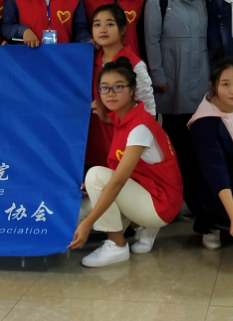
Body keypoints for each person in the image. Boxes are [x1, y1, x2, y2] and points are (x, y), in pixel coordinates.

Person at [69, 59, 183, 267]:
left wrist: (87, 224)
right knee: (76, 214)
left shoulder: (140, 127)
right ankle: (140, 225)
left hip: (160, 203)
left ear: (132, 90)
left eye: (118, 87)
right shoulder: (126, 117)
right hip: (145, 190)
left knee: (96, 177)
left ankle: (117, 245)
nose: (110, 93)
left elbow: (117, 182)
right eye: (104, 88)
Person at [144, 0, 212, 235]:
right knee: (177, 147)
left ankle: (199, 203)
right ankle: (179, 201)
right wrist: (158, 74)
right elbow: (151, 40)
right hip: (172, 81)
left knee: (199, 145)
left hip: (203, 79)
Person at [189, 58, 233, 249]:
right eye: (226, 84)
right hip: (211, 185)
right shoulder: (204, 123)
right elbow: (215, 172)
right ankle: (210, 223)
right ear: (213, 85)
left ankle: (231, 218)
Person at [85, 6, 156, 169]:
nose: (103, 29)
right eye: (97, 24)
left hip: (124, 146)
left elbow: (149, 113)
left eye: (110, 24)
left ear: (123, 29)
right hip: (94, 143)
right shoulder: (88, 61)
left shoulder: (135, 64)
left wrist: (109, 118)